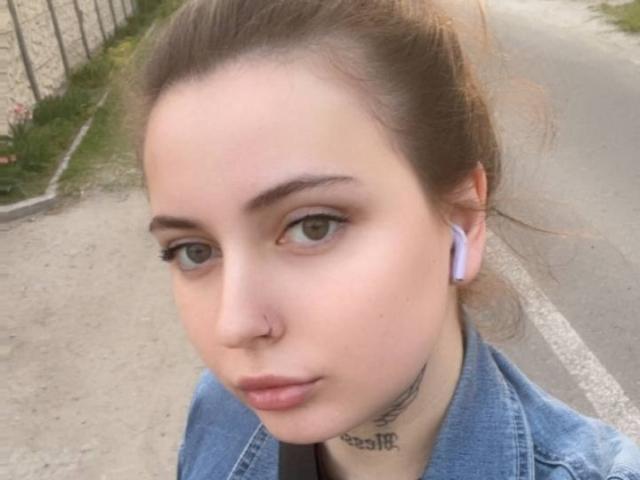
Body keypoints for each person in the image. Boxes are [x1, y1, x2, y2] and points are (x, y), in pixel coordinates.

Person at [137, 0, 640, 478]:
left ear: (463, 220)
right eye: (193, 251)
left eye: (313, 226)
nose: (235, 324)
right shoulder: (219, 414)